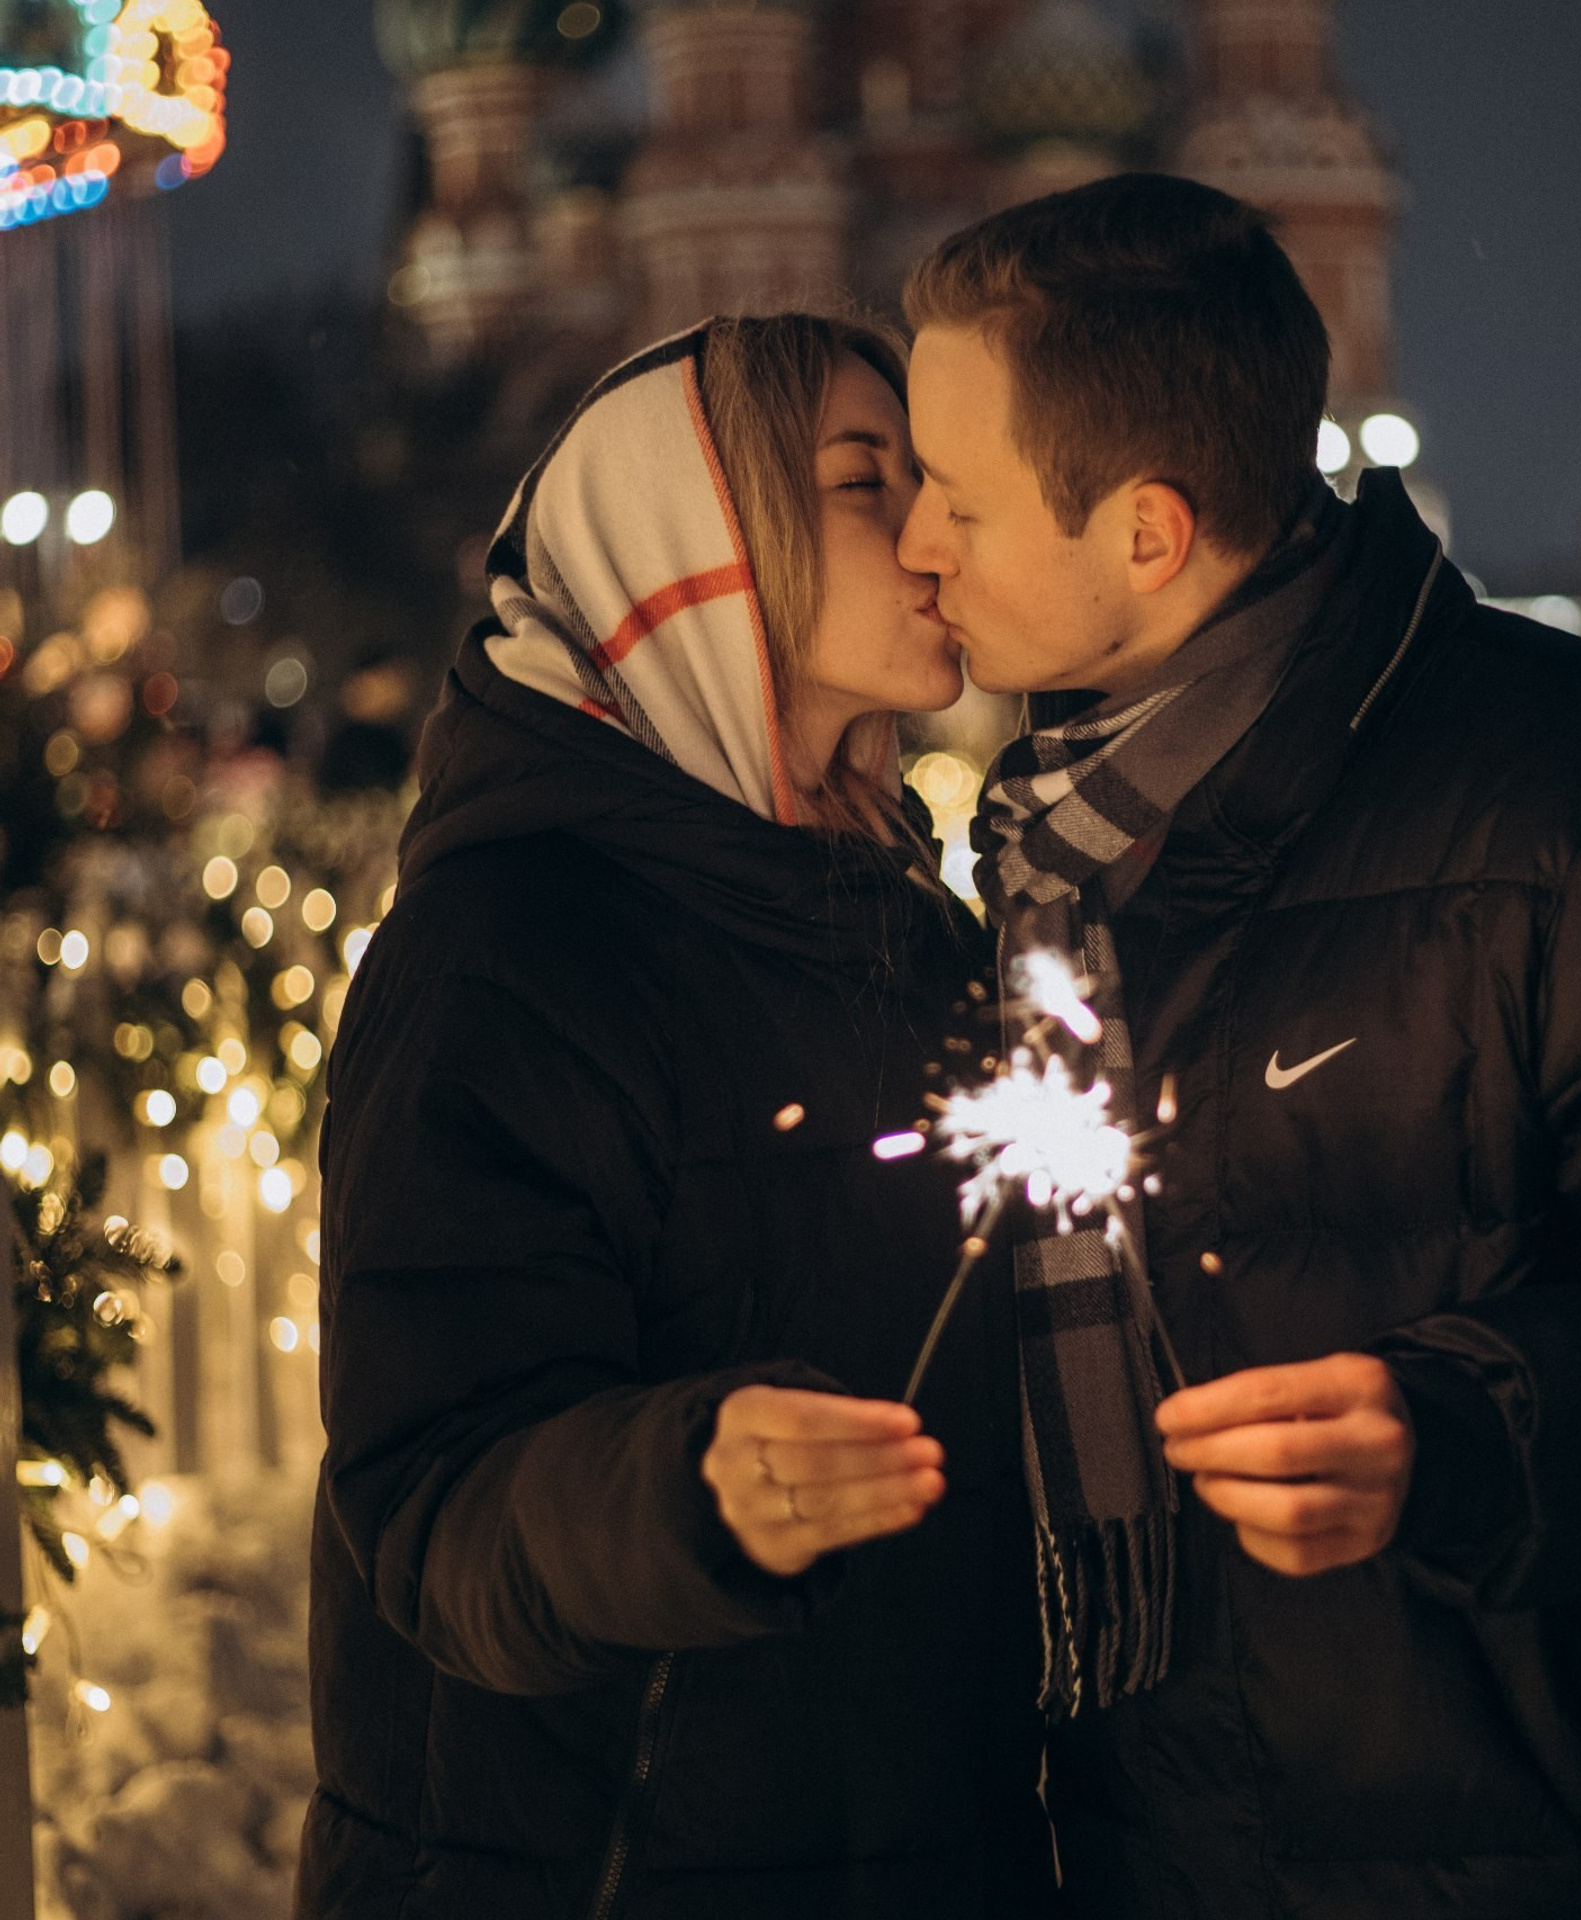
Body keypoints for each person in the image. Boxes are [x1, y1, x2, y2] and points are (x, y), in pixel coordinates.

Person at [897, 173, 1581, 1920]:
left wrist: (1456, 1431)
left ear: (1146, 533)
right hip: (1171, 1839)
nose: (917, 543)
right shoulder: (1057, 848)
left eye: (957, 498)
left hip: (1575, 1848)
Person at [297, 316, 1058, 1919]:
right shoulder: (512, 949)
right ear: (697, 535)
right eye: (866, 481)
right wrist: (686, 1489)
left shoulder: (902, 925)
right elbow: (430, 1506)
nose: (933, 533)